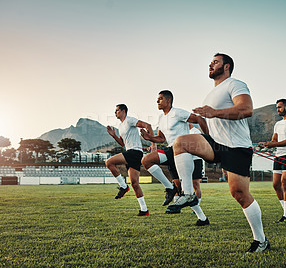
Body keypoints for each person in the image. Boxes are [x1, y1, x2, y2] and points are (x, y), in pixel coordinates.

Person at [168, 53, 269, 253]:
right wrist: (204, 127)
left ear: (227, 66)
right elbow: (211, 123)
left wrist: (214, 112)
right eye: (210, 62)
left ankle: (261, 241)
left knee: (239, 194)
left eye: (215, 62)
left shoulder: (235, 84)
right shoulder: (210, 94)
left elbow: (246, 109)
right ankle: (188, 193)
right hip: (216, 144)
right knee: (181, 143)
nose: (210, 65)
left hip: (236, 147)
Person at [140, 90, 210, 225]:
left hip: (182, 151)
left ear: (168, 100)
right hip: (170, 149)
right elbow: (161, 138)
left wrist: (209, 139)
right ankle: (170, 188)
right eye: (157, 99)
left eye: (160, 99)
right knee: (146, 160)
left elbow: (199, 119)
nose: (157, 101)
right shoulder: (161, 118)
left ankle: (202, 218)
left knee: (186, 190)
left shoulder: (178, 113)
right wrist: (149, 138)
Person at [106, 104, 154, 216]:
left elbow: (147, 125)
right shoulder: (121, 126)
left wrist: (152, 142)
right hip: (131, 152)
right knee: (135, 183)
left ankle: (123, 186)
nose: (115, 112)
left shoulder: (130, 120)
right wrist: (114, 135)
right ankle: (144, 210)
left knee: (109, 162)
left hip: (135, 152)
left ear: (123, 111)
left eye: (117, 110)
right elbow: (123, 144)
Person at [259, 99, 286, 223]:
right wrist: (265, 144)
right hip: (278, 156)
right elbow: (274, 140)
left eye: (280, 107)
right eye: (277, 107)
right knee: (276, 185)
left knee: (285, 183)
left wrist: (273, 144)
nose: (278, 110)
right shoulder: (277, 124)